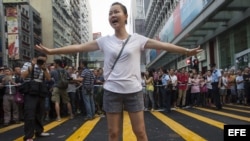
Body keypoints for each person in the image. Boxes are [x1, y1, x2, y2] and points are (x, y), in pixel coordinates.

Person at [35, 2, 202, 141]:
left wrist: (186, 51)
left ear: (125, 16)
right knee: (113, 134)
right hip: (112, 92)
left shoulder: (138, 39)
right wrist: (52, 52)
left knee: (141, 133)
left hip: (134, 91)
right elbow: (78, 47)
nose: (112, 15)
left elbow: (164, 45)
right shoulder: (104, 41)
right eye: (110, 13)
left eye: (116, 12)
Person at [21, 52, 51, 141]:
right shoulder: (28, 64)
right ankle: (29, 136)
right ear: (35, 58)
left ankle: (39, 131)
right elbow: (23, 76)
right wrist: (33, 66)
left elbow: (49, 79)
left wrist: (45, 69)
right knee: (29, 114)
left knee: (40, 113)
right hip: (30, 92)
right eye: (40, 60)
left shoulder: (44, 67)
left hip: (40, 91)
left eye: (44, 61)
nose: (42, 62)